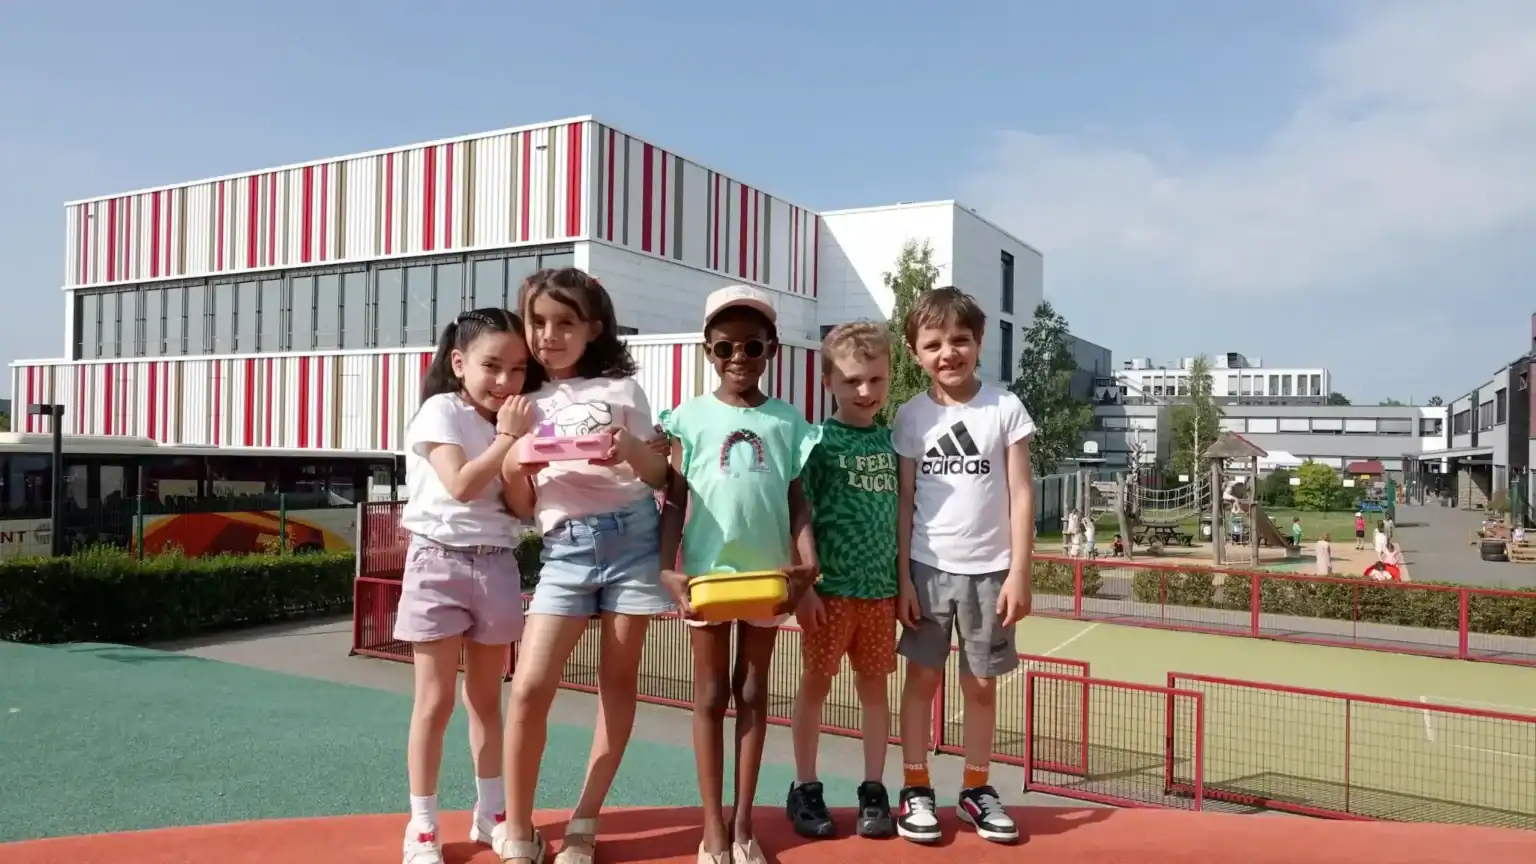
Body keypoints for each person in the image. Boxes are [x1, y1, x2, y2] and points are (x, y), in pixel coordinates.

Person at [493, 269, 672, 864]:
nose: (549, 335)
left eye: (565, 322)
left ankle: (584, 821)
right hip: (564, 549)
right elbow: (524, 506)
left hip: (633, 541)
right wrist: (513, 466)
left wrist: (632, 448)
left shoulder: (623, 390)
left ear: (593, 328)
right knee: (528, 688)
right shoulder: (521, 403)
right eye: (537, 322)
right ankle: (519, 829)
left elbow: (659, 476)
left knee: (616, 685)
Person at [658, 285, 820, 864]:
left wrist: (808, 563)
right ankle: (712, 828)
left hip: (767, 579)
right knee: (708, 694)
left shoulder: (787, 421)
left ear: (771, 349)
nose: (738, 358)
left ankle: (744, 823)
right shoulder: (688, 418)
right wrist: (666, 567)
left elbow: (797, 502)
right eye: (725, 347)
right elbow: (675, 500)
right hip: (707, 577)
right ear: (708, 350)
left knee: (752, 691)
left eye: (752, 346)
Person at [891, 287, 1033, 846]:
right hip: (926, 569)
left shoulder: (1005, 408)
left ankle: (976, 789)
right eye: (933, 344)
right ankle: (915, 787)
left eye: (960, 340)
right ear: (914, 353)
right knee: (922, 680)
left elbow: (1021, 494)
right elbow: (905, 500)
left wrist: (1020, 572)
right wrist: (902, 577)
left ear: (979, 343)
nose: (948, 353)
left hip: (991, 572)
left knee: (981, 686)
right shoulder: (911, 416)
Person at [394, 309, 537, 864]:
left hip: (497, 562)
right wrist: (508, 440)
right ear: (459, 363)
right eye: (492, 366)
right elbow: (459, 484)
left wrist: (521, 455)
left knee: (486, 701)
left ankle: (491, 812)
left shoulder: (515, 421)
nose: (505, 381)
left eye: (518, 369)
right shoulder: (441, 410)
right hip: (438, 561)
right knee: (434, 702)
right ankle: (422, 826)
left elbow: (520, 506)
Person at [786, 322, 899, 840]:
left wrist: (902, 586)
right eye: (852, 380)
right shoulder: (817, 443)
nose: (865, 391)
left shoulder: (894, 443)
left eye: (876, 379)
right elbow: (798, 517)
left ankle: (873, 789)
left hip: (879, 594)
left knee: (875, 691)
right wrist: (805, 587)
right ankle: (805, 785)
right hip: (829, 592)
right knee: (815, 686)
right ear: (828, 380)